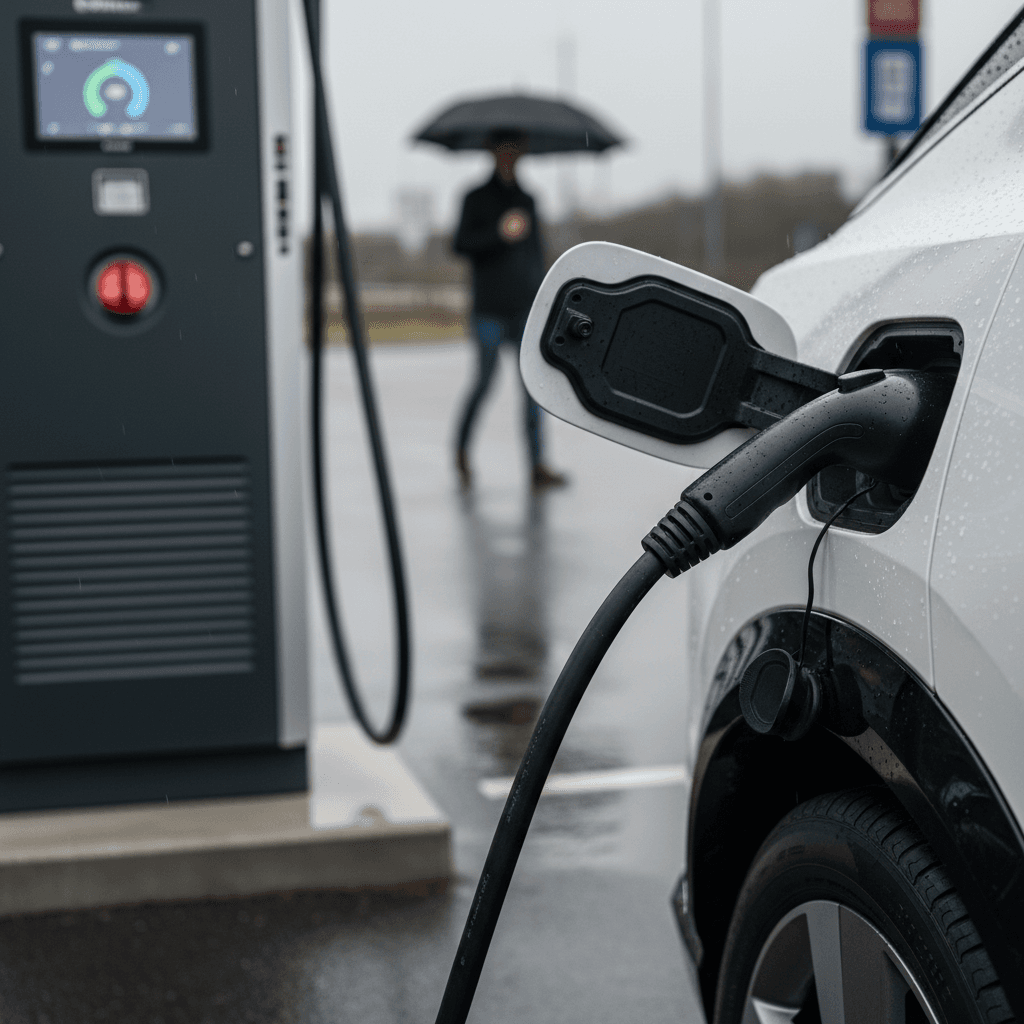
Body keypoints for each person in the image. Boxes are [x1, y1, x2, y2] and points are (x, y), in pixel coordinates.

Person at [452, 131, 566, 490]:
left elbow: (535, 254)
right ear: (492, 152)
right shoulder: (474, 197)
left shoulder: (528, 200)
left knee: (533, 388)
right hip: (489, 309)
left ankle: (536, 466)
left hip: (524, 308)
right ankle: (461, 454)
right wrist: (499, 233)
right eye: (503, 150)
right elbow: (460, 244)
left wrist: (546, 295)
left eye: (516, 150)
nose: (510, 156)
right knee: (484, 384)